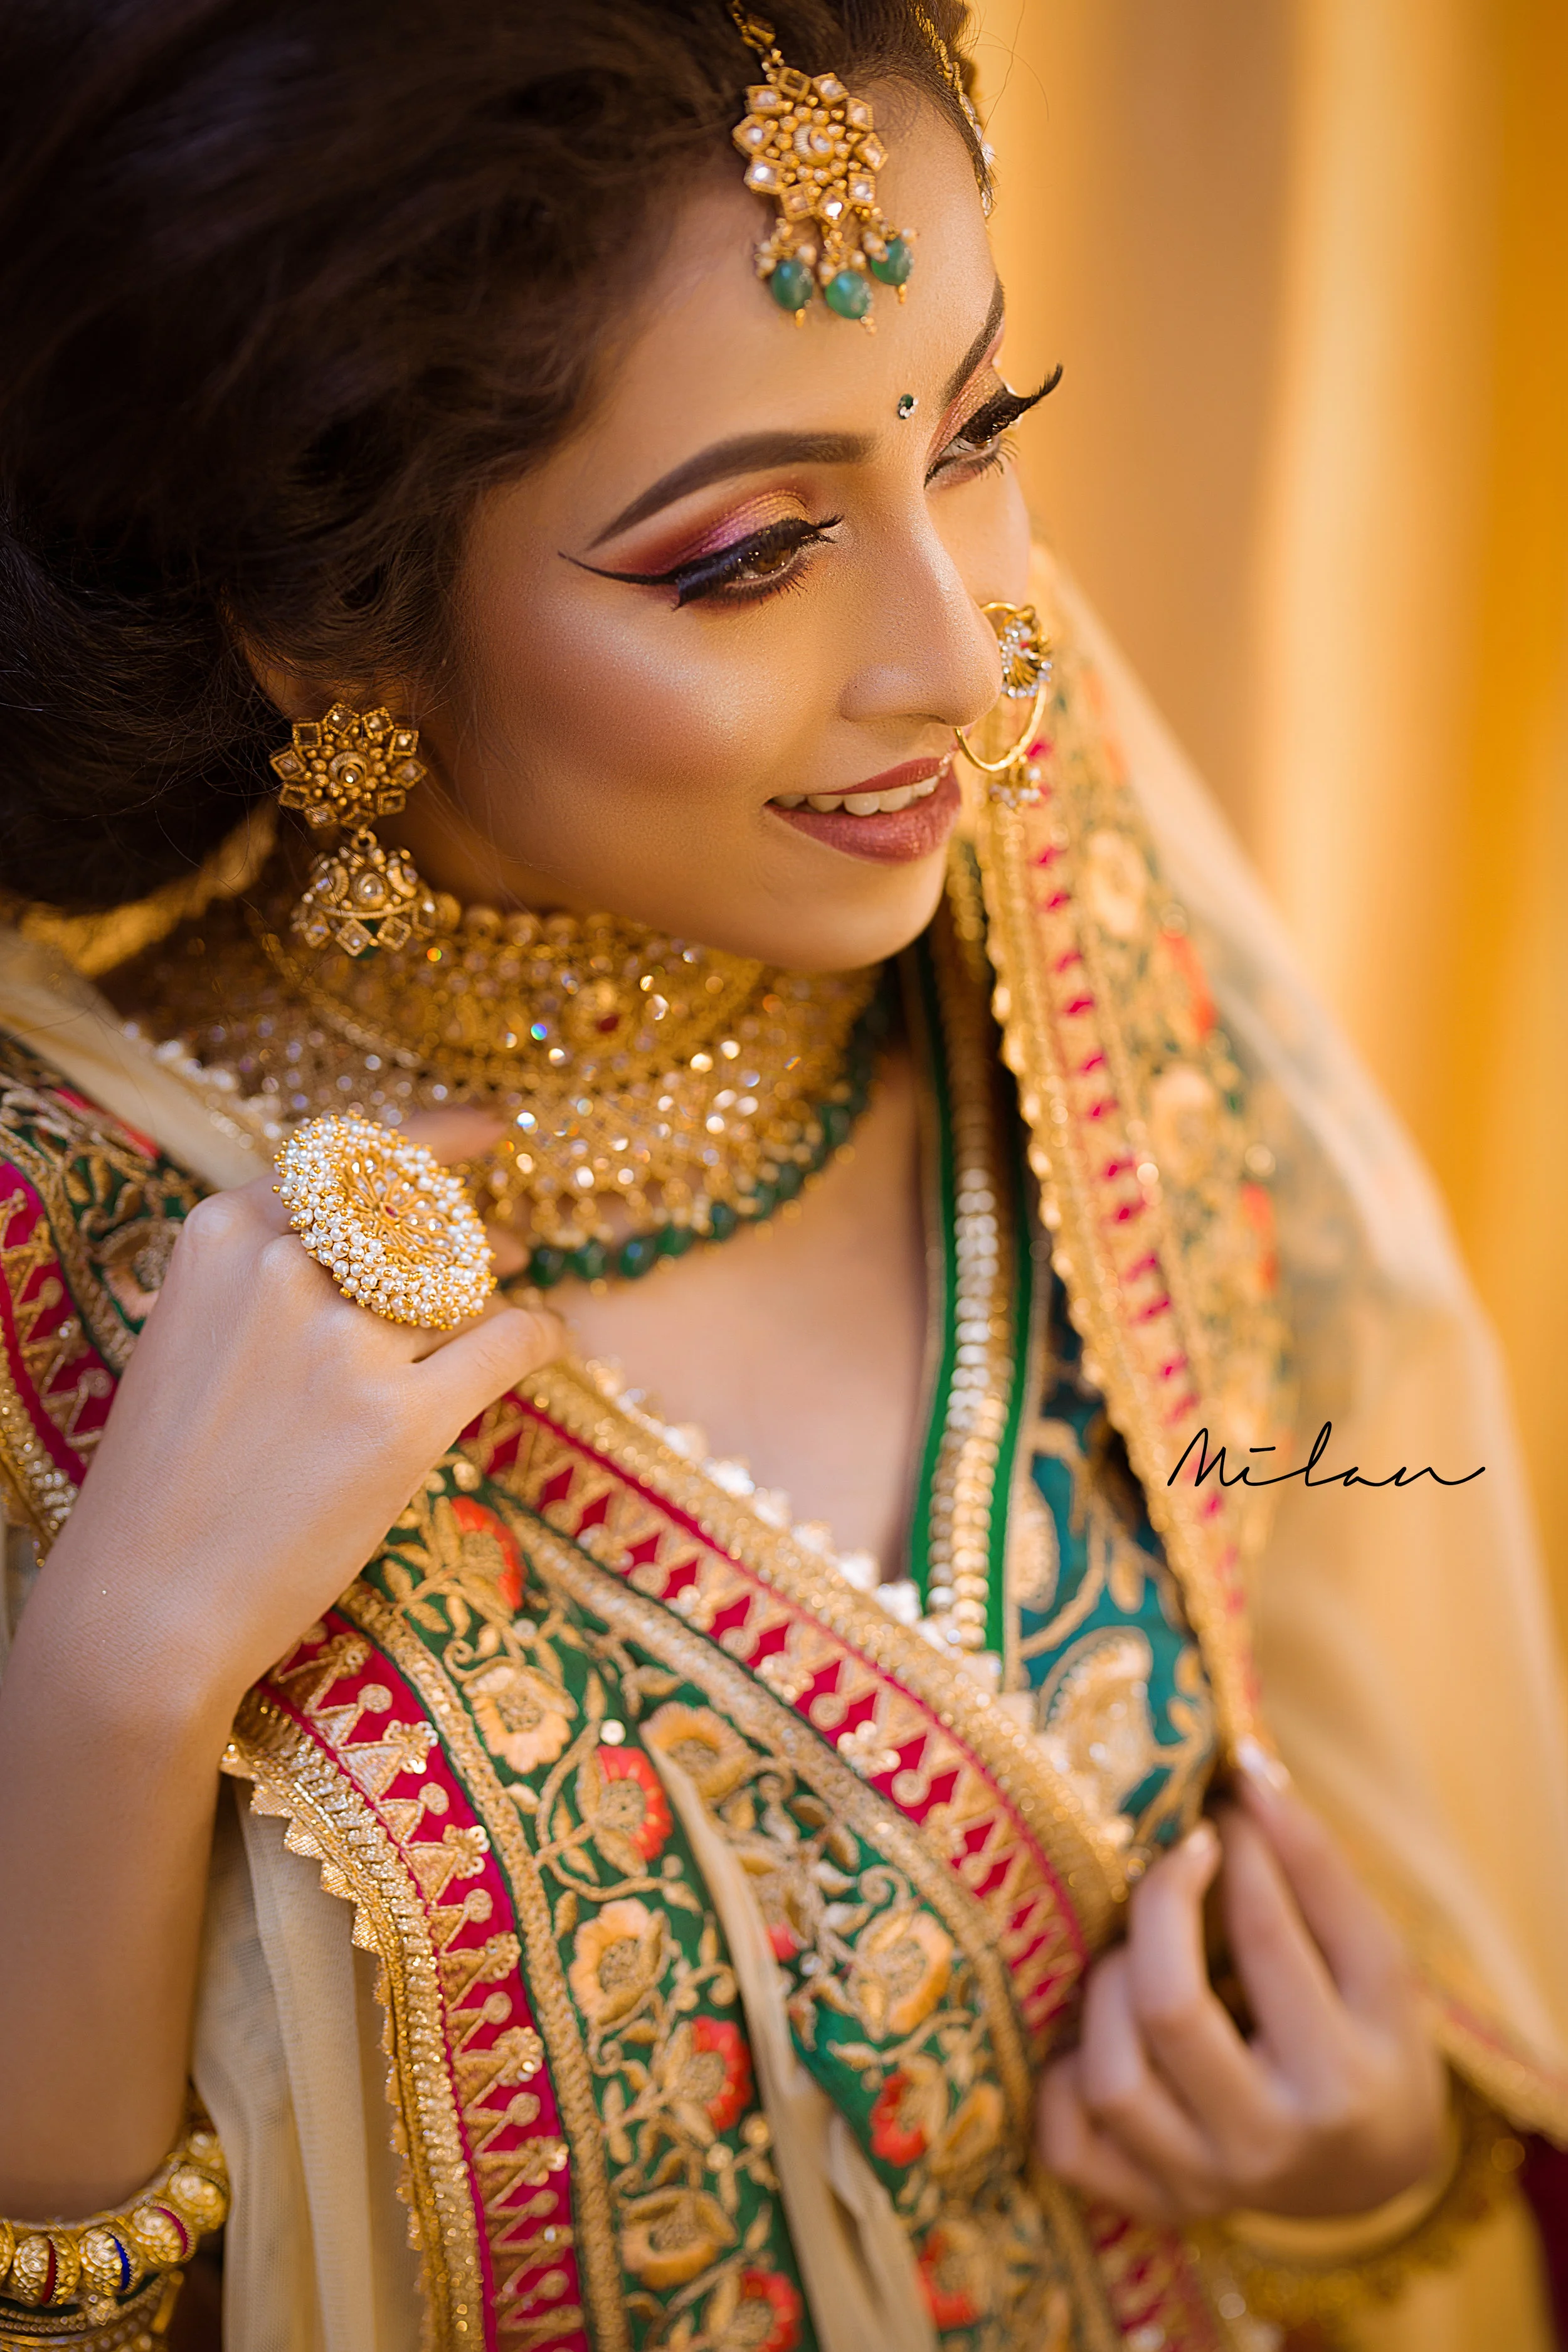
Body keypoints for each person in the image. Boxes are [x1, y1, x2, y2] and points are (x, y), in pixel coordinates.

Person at [0, 4, 1563, 2348]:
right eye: (742, 557)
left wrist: (1362, 2159)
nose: (965, 657)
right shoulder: (65, 1248)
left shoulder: (1059, 918)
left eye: (980, 434)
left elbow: (1402, 1810)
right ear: (321, 617)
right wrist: (115, 1688)